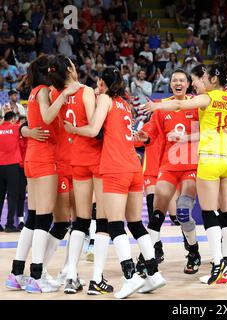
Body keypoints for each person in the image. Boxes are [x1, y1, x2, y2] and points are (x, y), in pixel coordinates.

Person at [143, 53, 227, 284]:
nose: (201, 80)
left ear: (214, 80)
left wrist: (156, 105)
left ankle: (218, 264)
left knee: (209, 213)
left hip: (210, 159)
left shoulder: (209, 99)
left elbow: (179, 103)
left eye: (204, 77)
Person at [64, 66, 166, 299]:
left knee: (114, 224)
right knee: (136, 223)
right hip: (133, 166)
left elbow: (92, 130)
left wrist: (72, 128)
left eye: (99, 83)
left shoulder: (106, 100)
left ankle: (130, 277)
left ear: (103, 83)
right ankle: (153, 273)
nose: (97, 87)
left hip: (115, 168)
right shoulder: (125, 103)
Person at [5, 55, 74, 294]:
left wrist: (26, 130)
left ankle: (16, 273)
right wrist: (64, 95)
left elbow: (31, 123)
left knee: (33, 218)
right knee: (44, 218)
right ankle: (36, 275)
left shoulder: (34, 91)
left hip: (32, 158)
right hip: (45, 158)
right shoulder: (44, 90)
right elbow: (46, 117)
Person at [47, 54, 109, 295]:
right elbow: (95, 128)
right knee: (100, 220)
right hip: (93, 157)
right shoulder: (86, 91)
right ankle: (96, 279)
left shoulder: (55, 94)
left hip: (71, 159)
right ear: (71, 69)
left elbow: (48, 118)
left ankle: (71, 275)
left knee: (79, 221)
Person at [135, 69, 202, 274]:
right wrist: (143, 137)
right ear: (170, 85)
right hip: (168, 166)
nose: (178, 83)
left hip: (190, 166)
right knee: (157, 214)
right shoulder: (162, 108)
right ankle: (147, 257)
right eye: (175, 80)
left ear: (188, 84)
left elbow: (205, 132)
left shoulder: (197, 104)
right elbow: (151, 134)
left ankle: (193, 252)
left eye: (182, 80)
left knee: (182, 211)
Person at [0, 111, 21, 232]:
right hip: (12, 165)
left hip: (0, 165)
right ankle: (9, 224)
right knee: (12, 196)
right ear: (13, 119)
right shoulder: (15, 128)